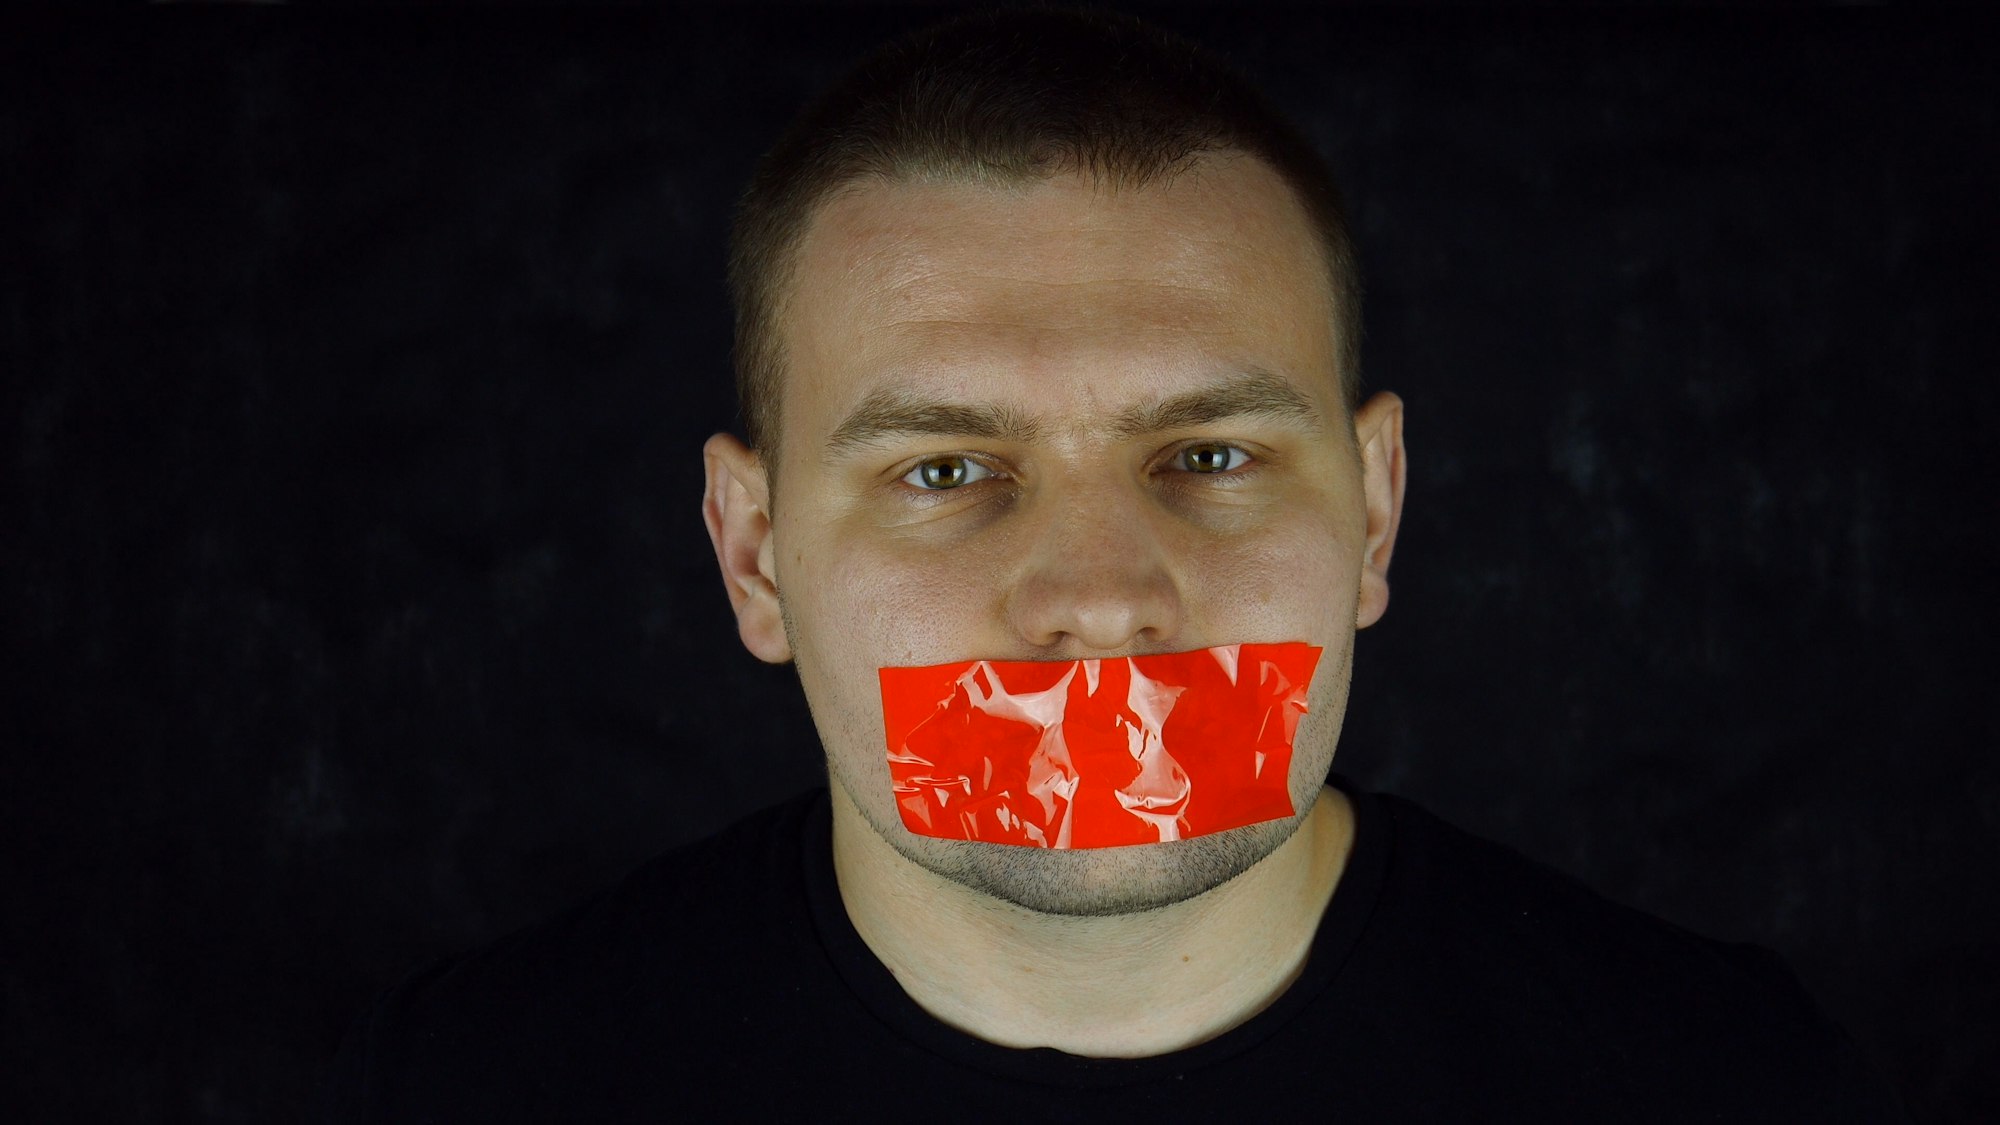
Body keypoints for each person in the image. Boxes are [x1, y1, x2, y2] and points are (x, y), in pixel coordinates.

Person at [327, 9, 1907, 1120]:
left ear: (1374, 510)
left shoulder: (1724, 1077)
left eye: (1209, 456)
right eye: (947, 471)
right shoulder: (481, 1080)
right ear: (753, 558)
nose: (1100, 595)